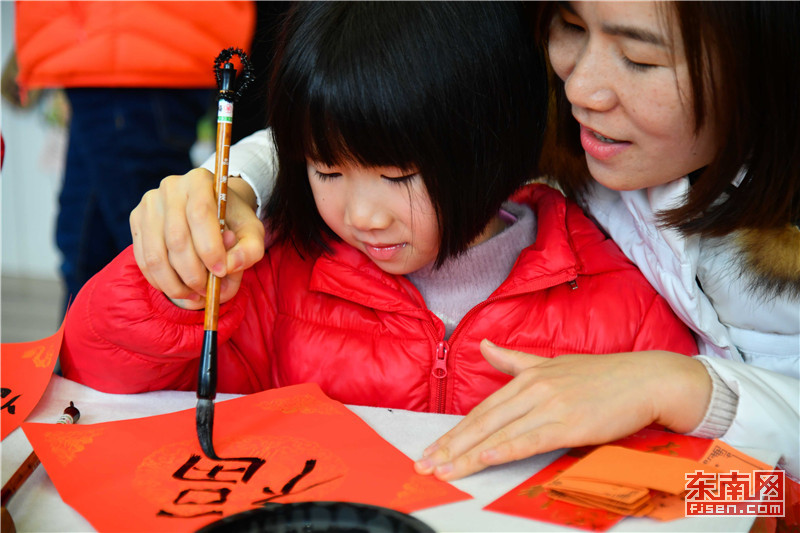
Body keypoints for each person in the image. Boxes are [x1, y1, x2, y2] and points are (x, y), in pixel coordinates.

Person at [127, 1, 800, 486]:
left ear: (768, 69)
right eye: (569, 27)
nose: (581, 87)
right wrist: (233, 179)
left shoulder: (634, 278)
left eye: (640, 57)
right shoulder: (575, 143)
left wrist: (684, 386)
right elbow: (367, 130)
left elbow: (753, 497)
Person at [60, 2, 697, 419]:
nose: (362, 214)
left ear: (492, 140)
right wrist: (173, 289)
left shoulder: (619, 292)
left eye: (398, 176)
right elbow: (92, 380)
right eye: (326, 170)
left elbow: (719, 484)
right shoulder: (277, 276)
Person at [7, 1, 255, 310]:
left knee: (167, 265)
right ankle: (75, 357)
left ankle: (191, 355)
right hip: (108, 53)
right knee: (84, 248)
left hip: (126, 52)